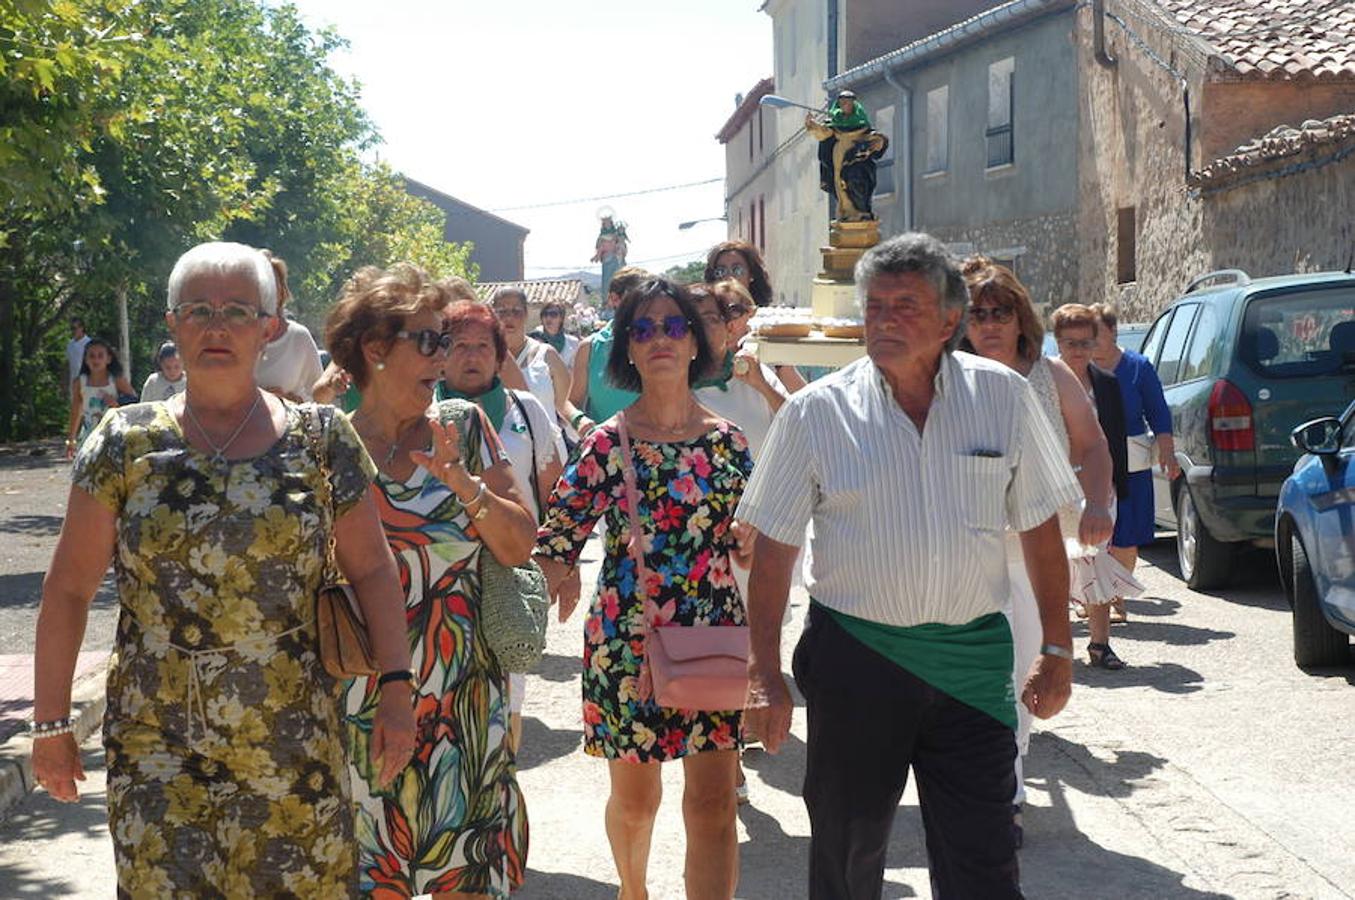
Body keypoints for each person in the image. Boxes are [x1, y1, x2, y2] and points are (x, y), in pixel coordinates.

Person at [32, 241, 417, 896]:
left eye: (237, 311)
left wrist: (397, 692)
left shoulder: (322, 438)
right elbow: (69, 588)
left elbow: (374, 572)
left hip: (292, 751)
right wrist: (50, 724)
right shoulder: (123, 443)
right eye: (198, 310)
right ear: (172, 323)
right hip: (157, 753)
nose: (216, 327)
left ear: (270, 328)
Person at [739, 233, 1081, 898]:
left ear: (950, 319)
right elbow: (773, 550)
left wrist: (1059, 647)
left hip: (972, 663)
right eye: (874, 307)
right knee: (845, 851)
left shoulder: (1003, 398)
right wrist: (763, 672)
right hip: (855, 660)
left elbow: (1040, 526)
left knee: (982, 860)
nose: (885, 320)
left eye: (906, 305)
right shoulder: (815, 413)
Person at [535, 277, 754, 900]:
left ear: (694, 344)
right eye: (643, 328)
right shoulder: (606, 442)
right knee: (636, 803)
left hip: (712, 633)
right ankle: (634, 892)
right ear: (627, 349)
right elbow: (557, 543)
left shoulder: (728, 444)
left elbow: (763, 539)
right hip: (627, 644)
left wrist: (752, 542)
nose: (660, 337)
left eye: (675, 325)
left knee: (714, 805)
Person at [326, 264, 537, 898]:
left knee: (466, 877)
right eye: (427, 340)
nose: (441, 356)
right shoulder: (328, 446)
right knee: (372, 877)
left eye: (443, 340)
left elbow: (521, 542)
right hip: (363, 705)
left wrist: (462, 485)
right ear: (374, 350)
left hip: (466, 705)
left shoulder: (464, 428)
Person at [960, 258, 1115, 845]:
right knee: (974, 678)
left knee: (1022, 669)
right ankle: (981, 786)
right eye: (978, 312)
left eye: (1002, 310)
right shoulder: (942, 379)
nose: (991, 322)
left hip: (1032, 552)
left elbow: (1094, 445)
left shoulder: (1049, 376)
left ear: (1020, 315)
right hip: (962, 549)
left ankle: (1010, 795)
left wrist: (1097, 504)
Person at [440, 298, 570, 754]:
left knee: (505, 705)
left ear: (500, 355)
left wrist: (562, 569)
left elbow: (555, 491)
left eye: (482, 345)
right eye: (458, 345)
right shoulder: (419, 415)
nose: (471, 355)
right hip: (438, 585)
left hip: (507, 579)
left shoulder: (527, 411)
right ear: (439, 353)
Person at [1052, 303, 1134, 668]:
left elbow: (1113, 437)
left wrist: (1117, 485)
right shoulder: (1040, 383)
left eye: (1085, 342)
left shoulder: (1107, 383)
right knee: (1053, 564)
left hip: (1099, 490)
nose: (1079, 351)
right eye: (1071, 343)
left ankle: (1100, 644)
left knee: (1096, 559)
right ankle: (1053, 648)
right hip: (1052, 489)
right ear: (1057, 342)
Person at [1090, 302, 1178, 623]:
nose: (1090, 341)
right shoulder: (1076, 370)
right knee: (1089, 533)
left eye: (1096, 333)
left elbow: (1157, 410)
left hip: (1132, 461)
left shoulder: (1138, 367)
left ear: (1112, 332)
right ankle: (1090, 594)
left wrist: (1166, 450)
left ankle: (1115, 595)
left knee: (1125, 533)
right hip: (1088, 464)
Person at [703, 241, 807, 394]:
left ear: (751, 274)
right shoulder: (704, 326)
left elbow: (800, 395)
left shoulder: (768, 327)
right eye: (720, 271)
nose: (729, 276)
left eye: (737, 269)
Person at [568, 266, 649, 434]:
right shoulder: (590, 348)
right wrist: (580, 421)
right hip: (606, 450)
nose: (645, 303)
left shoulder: (659, 343)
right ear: (614, 298)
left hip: (656, 450)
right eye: (637, 296)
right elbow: (571, 402)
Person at [490, 287, 580, 428]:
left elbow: (568, 405)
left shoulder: (547, 356)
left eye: (516, 311)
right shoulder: (486, 359)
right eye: (502, 311)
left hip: (546, 447)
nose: (509, 317)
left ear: (526, 314)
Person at [804, 90, 889, 222]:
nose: (845, 105)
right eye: (842, 103)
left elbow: (874, 137)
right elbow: (823, 133)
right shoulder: (834, 122)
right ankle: (847, 213)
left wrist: (879, 141)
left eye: (848, 103)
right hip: (838, 159)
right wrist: (813, 125)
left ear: (854, 104)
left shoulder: (861, 123)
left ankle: (861, 212)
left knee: (856, 182)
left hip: (858, 162)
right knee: (840, 185)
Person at [255, 251, 324, 402]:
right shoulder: (232, 337)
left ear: (282, 291)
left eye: (273, 283)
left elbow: (319, 397)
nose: (267, 291)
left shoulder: (299, 337)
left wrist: (291, 402)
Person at [65, 337, 134, 458]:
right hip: (89, 434)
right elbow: (76, 410)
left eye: (100, 356)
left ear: (108, 359)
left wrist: (117, 403)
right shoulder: (80, 382)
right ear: (85, 359)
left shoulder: (116, 380)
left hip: (113, 433)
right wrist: (71, 439)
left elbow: (134, 403)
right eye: (91, 356)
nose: (96, 359)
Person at [530, 300, 581, 367]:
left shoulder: (573, 343)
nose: (548, 318)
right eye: (545, 314)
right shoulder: (534, 340)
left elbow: (575, 371)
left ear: (561, 318)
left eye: (553, 314)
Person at [65, 317, 90, 397]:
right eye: (71, 328)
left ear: (81, 328)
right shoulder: (70, 345)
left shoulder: (89, 343)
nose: (73, 331)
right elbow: (68, 365)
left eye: (75, 328)